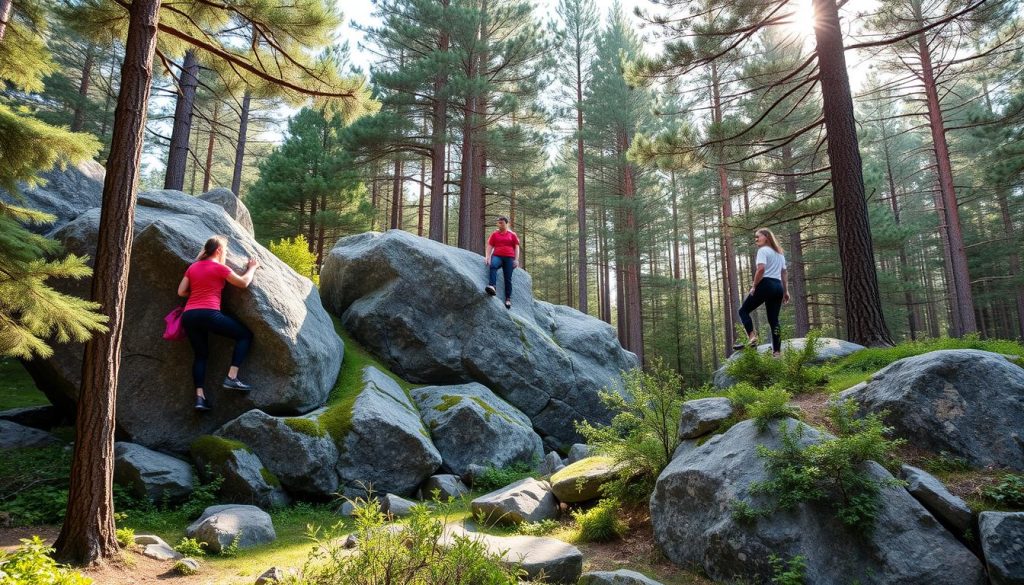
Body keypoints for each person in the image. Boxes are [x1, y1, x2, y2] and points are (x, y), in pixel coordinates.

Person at [177, 235, 259, 411]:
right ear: (219, 250)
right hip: (209, 313)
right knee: (244, 335)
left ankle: (200, 398)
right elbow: (244, 283)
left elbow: (181, 291)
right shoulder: (220, 268)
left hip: (189, 315)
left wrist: (197, 294)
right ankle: (232, 377)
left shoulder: (193, 267)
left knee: (201, 355)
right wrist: (252, 267)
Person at [734, 227, 790, 357]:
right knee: (774, 320)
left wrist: (754, 286)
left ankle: (752, 337)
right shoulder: (779, 254)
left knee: (743, 311)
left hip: (766, 284)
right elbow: (784, 272)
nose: (756, 239)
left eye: (758, 236)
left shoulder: (763, 250)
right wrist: (785, 291)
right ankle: (776, 352)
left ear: (766, 237)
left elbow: (761, 269)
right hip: (778, 287)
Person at [484, 215, 521, 309]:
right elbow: (490, 245)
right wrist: (487, 256)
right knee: (493, 266)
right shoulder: (494, 234)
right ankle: (492, 286)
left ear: (506, 223)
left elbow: (516, 247)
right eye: (498, 222)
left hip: (509, 257)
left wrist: (516, 260)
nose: (500, 224)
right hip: (497, 255)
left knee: (508, 278)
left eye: (502, 222)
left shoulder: (512, 234)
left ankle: (508, 299)